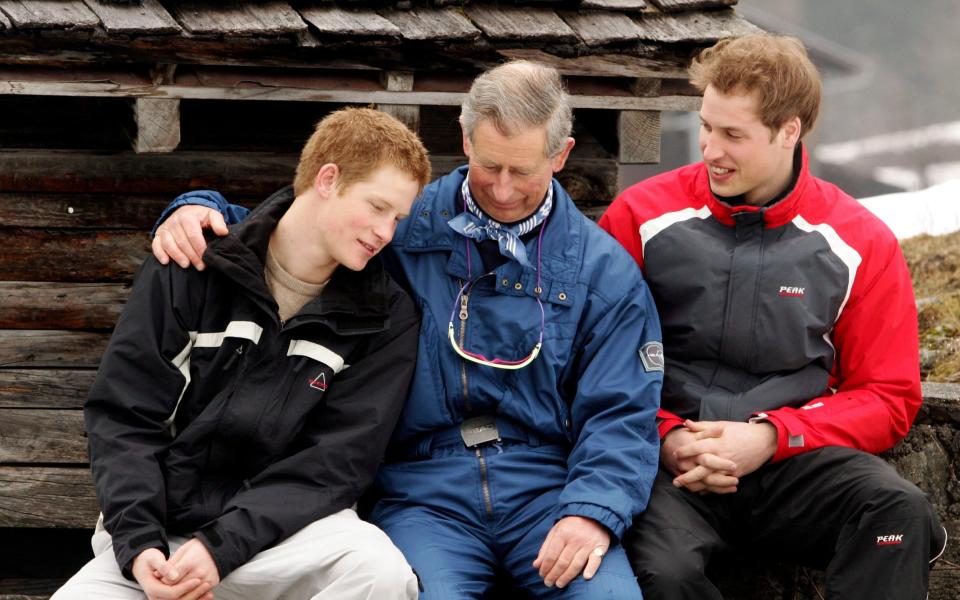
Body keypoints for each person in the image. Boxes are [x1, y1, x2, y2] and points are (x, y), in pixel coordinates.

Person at [150, 61, 663, 599]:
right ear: (464, 137)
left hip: (549, 490)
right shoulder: (401, 223)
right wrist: (198, 207)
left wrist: (591, 511)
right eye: (490, 166)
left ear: (561, 155)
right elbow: (299, 226)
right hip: (422, 492)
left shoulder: (604, 273)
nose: (505, 191)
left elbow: (622, 410)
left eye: (524, 170)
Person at [599, 33, 948, 599]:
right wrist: (666, 437)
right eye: (707, 126)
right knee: (662, 574)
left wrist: (771, 436)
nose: (709, 149)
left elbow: (888, 395)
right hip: (666, 465)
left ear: (790, 131)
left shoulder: (860, 242)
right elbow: (592, 360)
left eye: (733, 135)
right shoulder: (640, 216)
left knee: (897, 513)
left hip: (793, 461)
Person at [54, 107, 431, 600]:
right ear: (328, 178)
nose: (386, 233)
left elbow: (336, 462)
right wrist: (140, 546)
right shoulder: (191, 266)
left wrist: (222, 547)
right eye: (378, 207)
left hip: (284, 539)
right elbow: (125, 417)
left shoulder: (385, 317)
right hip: (159, 531)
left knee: (379, 573)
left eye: (398, 218)